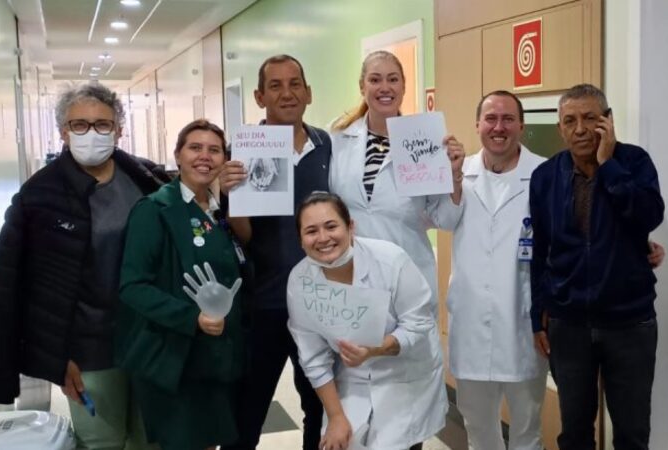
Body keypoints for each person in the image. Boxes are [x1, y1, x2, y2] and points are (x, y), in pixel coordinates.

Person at [0, 83, 165, 449]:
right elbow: (13, 284)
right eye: (79, 124)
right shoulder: (39, 195)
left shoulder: (145, 181)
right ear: (63, 132)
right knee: (100, 442)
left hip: (148, 340)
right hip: (87, 350)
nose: (91, 133)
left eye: (102, 124)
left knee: (152, 440)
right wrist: (56, 358)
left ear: (119, 130)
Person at [530, 84, 665, 450]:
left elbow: (649, 216)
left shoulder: (634, 162)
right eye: (570, 121)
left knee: (632, 433)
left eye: (590, 118)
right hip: (568, 325)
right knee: (574, 433)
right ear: (560, 128)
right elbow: (540, 251)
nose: (580, 129)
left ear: (608, 121)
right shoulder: (545, 177)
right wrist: (537, 316)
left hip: (630, 323)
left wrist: (609, 166)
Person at [116, 119, 247, 450]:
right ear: (177, 155)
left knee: (209, 442)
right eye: (195, 148)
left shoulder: (218, 211)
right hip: (175, 357)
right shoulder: (155, 210)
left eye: (214, 150)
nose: (205, 156)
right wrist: (192, 318)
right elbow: (133, 286)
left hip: (216, 356)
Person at [219, 54, 328, 450]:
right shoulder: (243, 150)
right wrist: (232, 197)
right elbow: (244, 236)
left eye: (295, 84)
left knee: (319, 407)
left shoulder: (326, 145)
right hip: (263, 301)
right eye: (276, 86)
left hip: (319, 302)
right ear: (259, 96)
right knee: (247, 410)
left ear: (308, 92)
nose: (287, 93)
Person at [287, 192, 448, 450]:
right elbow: (313, 357)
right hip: (353, 378)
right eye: (311, 231)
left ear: (350, 227)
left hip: (405, 372)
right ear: (300, 240)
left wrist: (375, 349)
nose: (323, 238)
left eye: (331, 226)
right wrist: (336, 417)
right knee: (342, 440)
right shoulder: (300, 281)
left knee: (398, 444)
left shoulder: (390, 260)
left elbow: (419, 324)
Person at [442, 91, 549, 450]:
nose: (498, 127)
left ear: (521, 125)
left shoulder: (544, 174)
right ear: (477, 125)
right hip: (472, 322)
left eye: (507, 119)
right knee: (478, 428)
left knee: (527, 429)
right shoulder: (459, 174)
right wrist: (453, 180)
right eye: (490, 119)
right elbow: (436, 219)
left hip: (524, 324)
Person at [329, 49, 464, 313]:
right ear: (362, 86)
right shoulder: (338, 137)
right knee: (358, 338)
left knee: (407, 337)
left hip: (408, 277)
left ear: (403, 86)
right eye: (375, 80)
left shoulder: (425, 140)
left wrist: (455, 176)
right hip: (352, 277)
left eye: (393, 79)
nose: (385, 87)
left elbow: (446, 220)